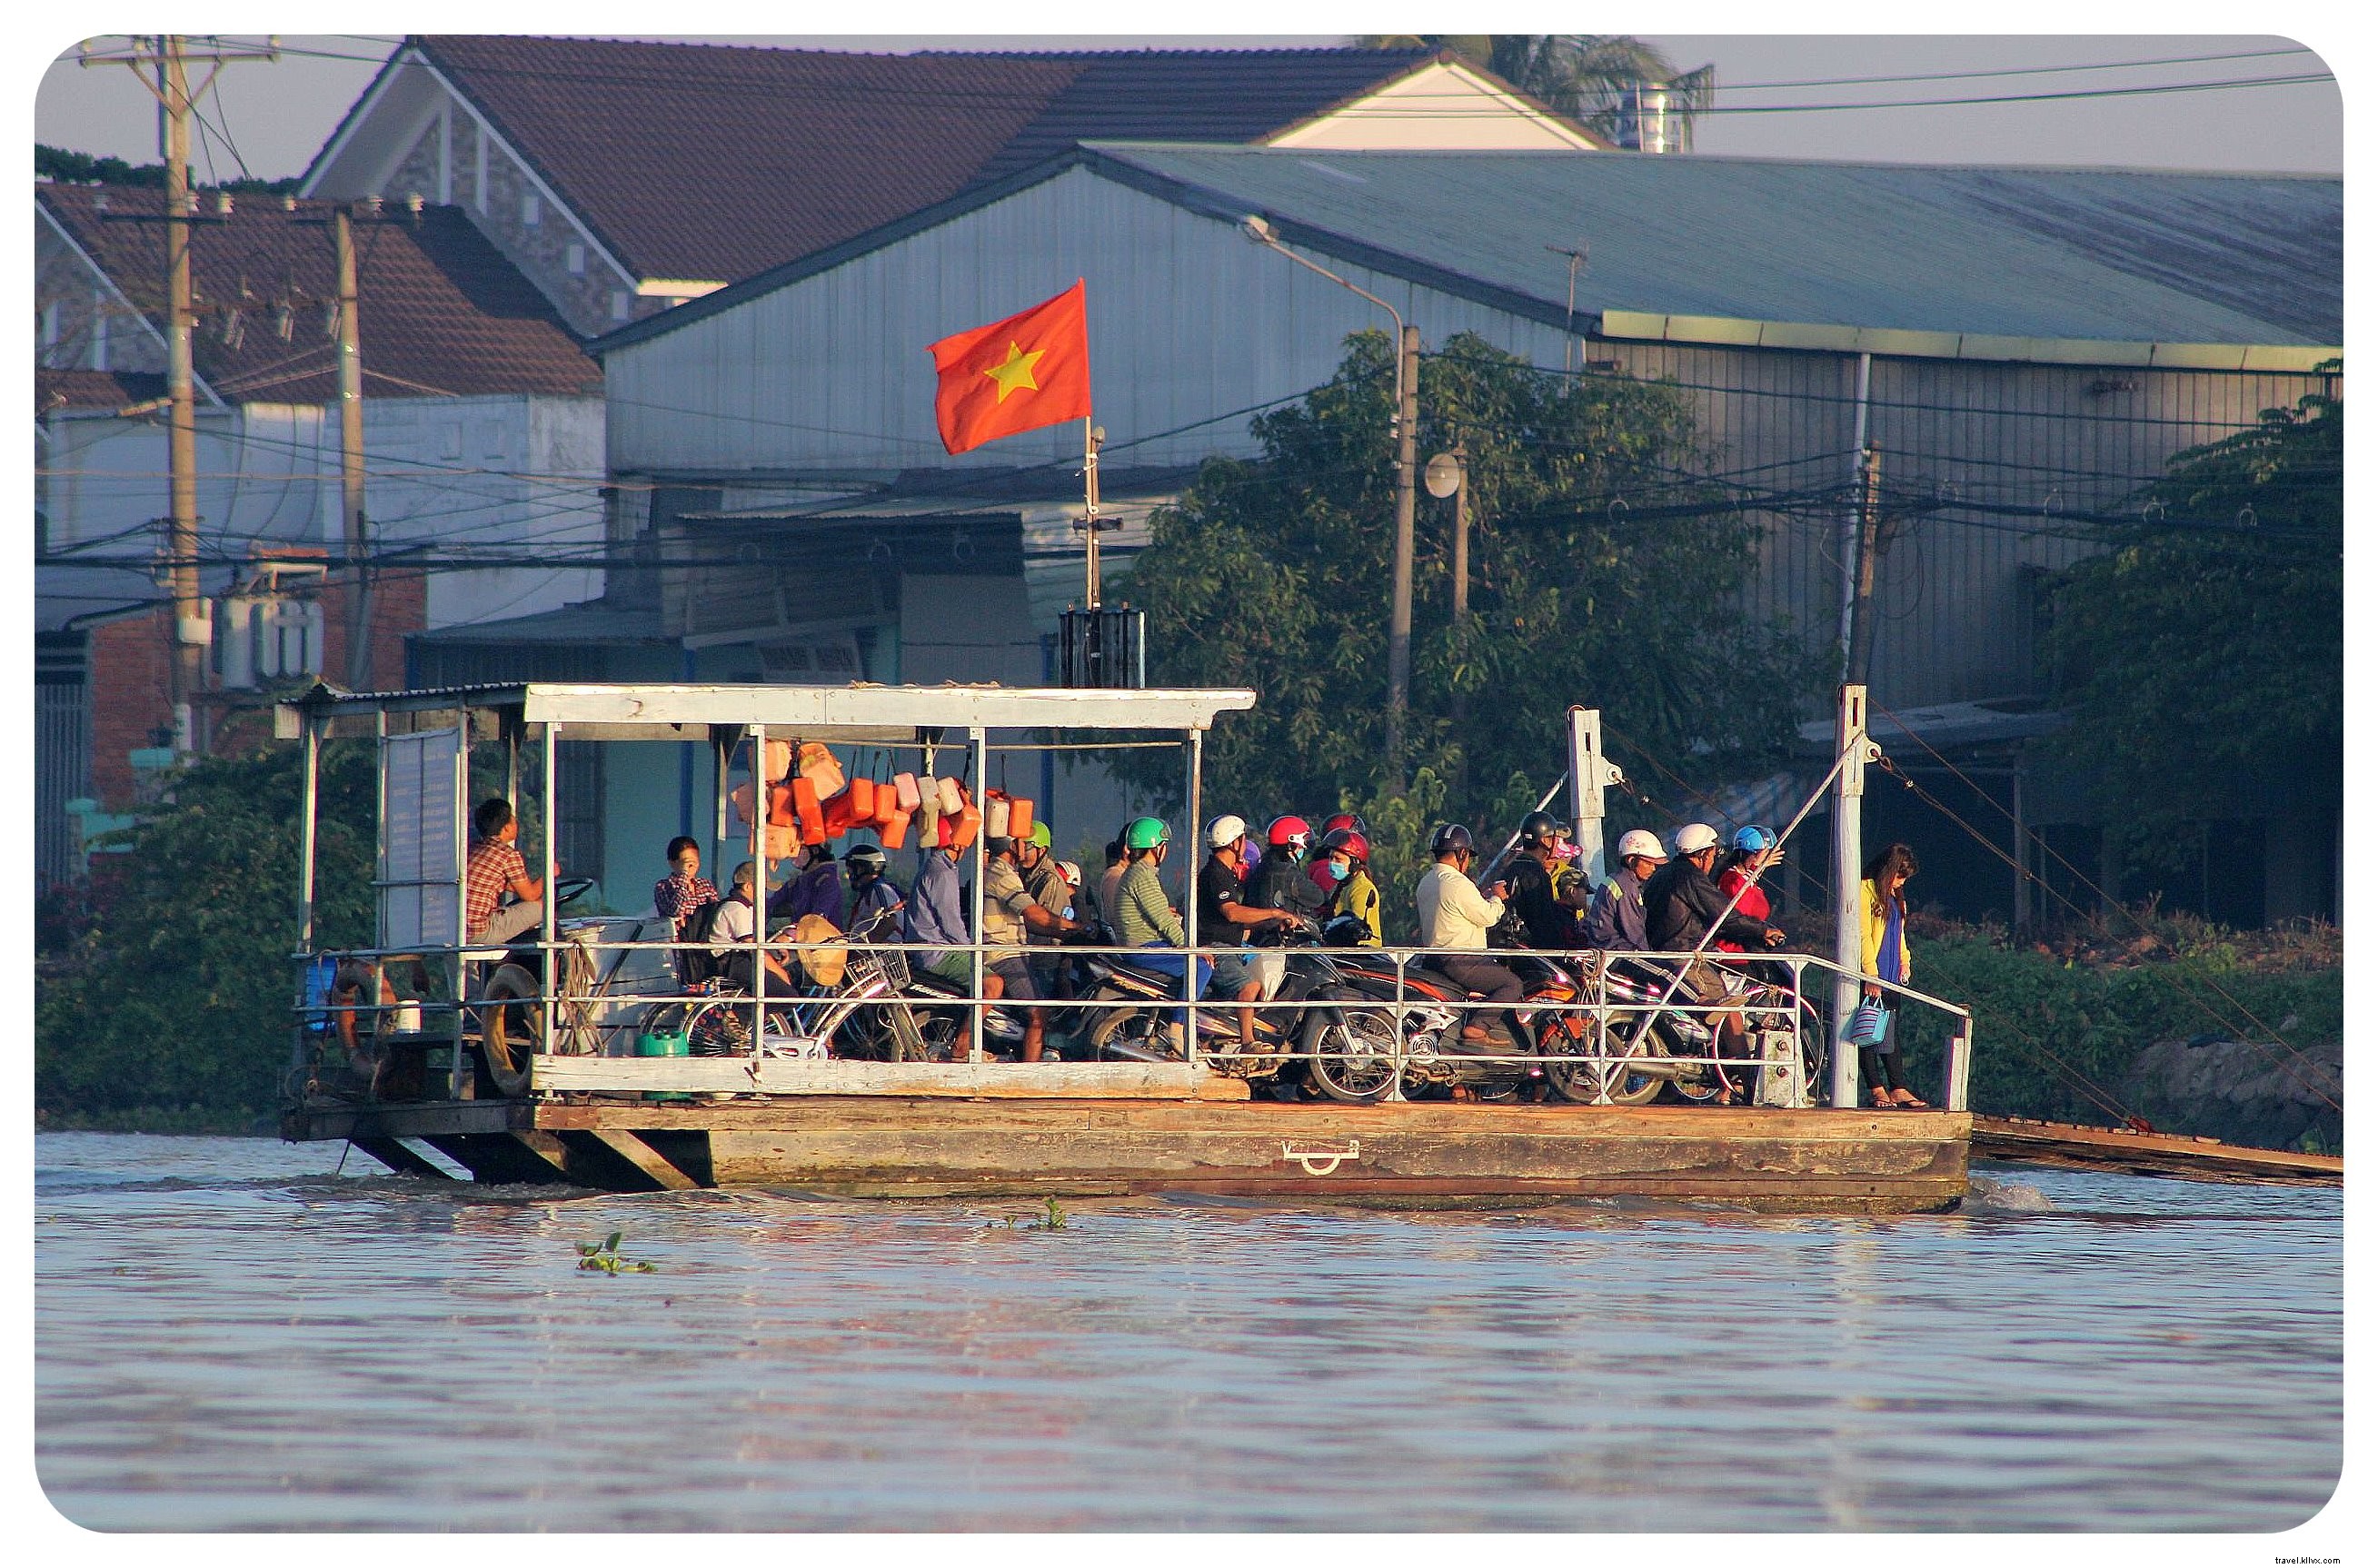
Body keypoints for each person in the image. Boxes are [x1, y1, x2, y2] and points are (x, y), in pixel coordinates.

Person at [1641, 823, 1785, 1103]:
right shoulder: (1692, 878)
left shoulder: (1662, 875)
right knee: (1729, 1013)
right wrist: (1763, 931)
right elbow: (1725, 915)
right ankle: (1747, 1082)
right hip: (1686, 956)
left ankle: (1721, 1080)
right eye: (1713, 852)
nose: (1715, 858)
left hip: (1661, 953)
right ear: (1703, 854)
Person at [1413, 823, 1525, 1047]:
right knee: (1512, 985)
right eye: (1468, 856)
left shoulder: (1426, 882)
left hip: (1433, 958)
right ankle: (1477, 1027)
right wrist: (1497, 897)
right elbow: (1488, 917)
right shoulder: (1458, 883)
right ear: (1462, 853)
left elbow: (1454, 911)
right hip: (1461, 960)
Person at [1198, 815, 1302, 1052]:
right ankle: (1247, 1042)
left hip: (1227, 945)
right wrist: (1274, 913)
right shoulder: (1217, 874)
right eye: (1243, 838)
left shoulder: (1226, 874)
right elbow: (1232, 913)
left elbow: (1235, 920)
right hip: (1217, 947)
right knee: (1250, 987)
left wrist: (1272, 922)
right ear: (1235, 842)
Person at [981, 830, 1080, 1063]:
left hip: (1005, 950)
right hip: (1004, 953)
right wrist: (1077, 927)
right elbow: (1036, 915)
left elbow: (1035, 923)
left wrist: (1062, 930)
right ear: (1013, 845)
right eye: (1023, 841)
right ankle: (1029, 1071)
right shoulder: (1003, 873)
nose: (1025, 846)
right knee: (1039, 1013)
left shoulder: (993, 871)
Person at [1110, 817, 1211, 1006]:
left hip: (1143, 946)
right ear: (1156, 847)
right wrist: (1192, 949)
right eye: (1164, 845)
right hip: (1145, 948)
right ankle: (1179, 1026)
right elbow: (1163, 921)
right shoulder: (1142, 876)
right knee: (1200, 968)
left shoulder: (1136, 873)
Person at [1860, 842, 1927, 1109]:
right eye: (1899, 876)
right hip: (1873, 972)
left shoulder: (1898, 900)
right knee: (1868, 1030)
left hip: (1891, 975)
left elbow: (1900, 937)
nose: (1900, 883)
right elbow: (1864, 934)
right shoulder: (1865, 891)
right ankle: (1877, 1088)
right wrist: (1870, 974)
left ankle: (1898, 1086)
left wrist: (1905, 962)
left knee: (1890, 1031)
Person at [464, 798, 544, 946]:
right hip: (480, 931)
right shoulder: (508, 855)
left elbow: (503, 885)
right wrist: (549, 874)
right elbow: (531, 895)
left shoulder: (472, 848)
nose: (517, 825)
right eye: (514, 821)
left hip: (456, 929)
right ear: (506, 828)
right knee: (543, 907)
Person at [1504, 810, 1587, 950]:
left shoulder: (1512, 868)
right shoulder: (1537, 874)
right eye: (1555, 838)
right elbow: (1543, 923)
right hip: (1532, 955)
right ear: (1545, 840)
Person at [711, 860, 795, 994]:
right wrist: (780, 973)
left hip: (736, 960)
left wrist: (775, 946)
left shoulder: (743, 907)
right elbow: (754, 948)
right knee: (787, 995)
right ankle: (735, 1014)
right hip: (730, 963)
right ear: (748, 886)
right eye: (763, 887)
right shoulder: (736, 908)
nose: (765, 892)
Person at [903, 825, 971, 986]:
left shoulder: (931, 867)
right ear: (955, 843)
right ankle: (974, 1012)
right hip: (938, 953)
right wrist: (971, 949)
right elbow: (950, 922)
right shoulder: (943, 873)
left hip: (924, 951)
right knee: (993, 984)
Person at [1584, 829, 1666, 951]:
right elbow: (1634, 932)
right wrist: (1649, 956)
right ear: (1631, 860)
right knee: (1668, 969)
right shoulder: (1626, 887)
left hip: (1605, 948)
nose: (1653, 868)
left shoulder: (1616, 879)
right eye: (1648, 863)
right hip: (1616, 952)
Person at [1714, 826, 1782, 955]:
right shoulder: (1731, 878)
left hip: (1751, 951)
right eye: (1761, 855)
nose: (1764, 860)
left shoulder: (1752, 883)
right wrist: (1755, 869)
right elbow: (1740, 907)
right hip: (1732, 953)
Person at [1315, 828, 1383, 945]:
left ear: (1354, 862)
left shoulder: (1362, 888)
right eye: (1331, 858)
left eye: (1338, 859)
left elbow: (1355, 925)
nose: (1332, 863)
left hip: (1363, 955)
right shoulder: (1339, 887)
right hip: (1341, 951)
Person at [770, 842, 845, 932]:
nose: (793, 854)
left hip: (824, 942)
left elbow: (817, 919)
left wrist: (791, 936)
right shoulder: (798, 882)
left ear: (815, 851)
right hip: (802, 941)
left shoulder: (827, 881)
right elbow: (772, 903)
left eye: (800, 848)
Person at [843, 843, 904, 938]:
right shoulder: (870, 891)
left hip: (883, 949)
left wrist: (866, 949)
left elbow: (889, 921)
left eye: (851, 871)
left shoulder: (879, 889)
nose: (849, 876)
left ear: (863, 868)